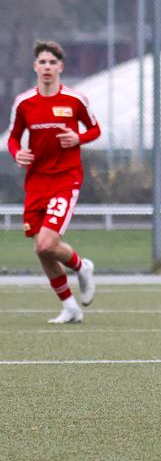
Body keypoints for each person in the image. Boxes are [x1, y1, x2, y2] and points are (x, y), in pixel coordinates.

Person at [5, 41, 99, 323]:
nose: (47, 67)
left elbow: (95, 129)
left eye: (52, 63)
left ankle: (82, 267)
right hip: (36, 182)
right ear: (36, 67)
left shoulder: (75, 100)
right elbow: (12, 137)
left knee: (47, 243)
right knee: (41, 250)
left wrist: (78, 138)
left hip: (65, 179)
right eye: (42, 62)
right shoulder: (24, 102)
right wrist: (17, 152)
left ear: (60, 67)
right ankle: (70, 307)